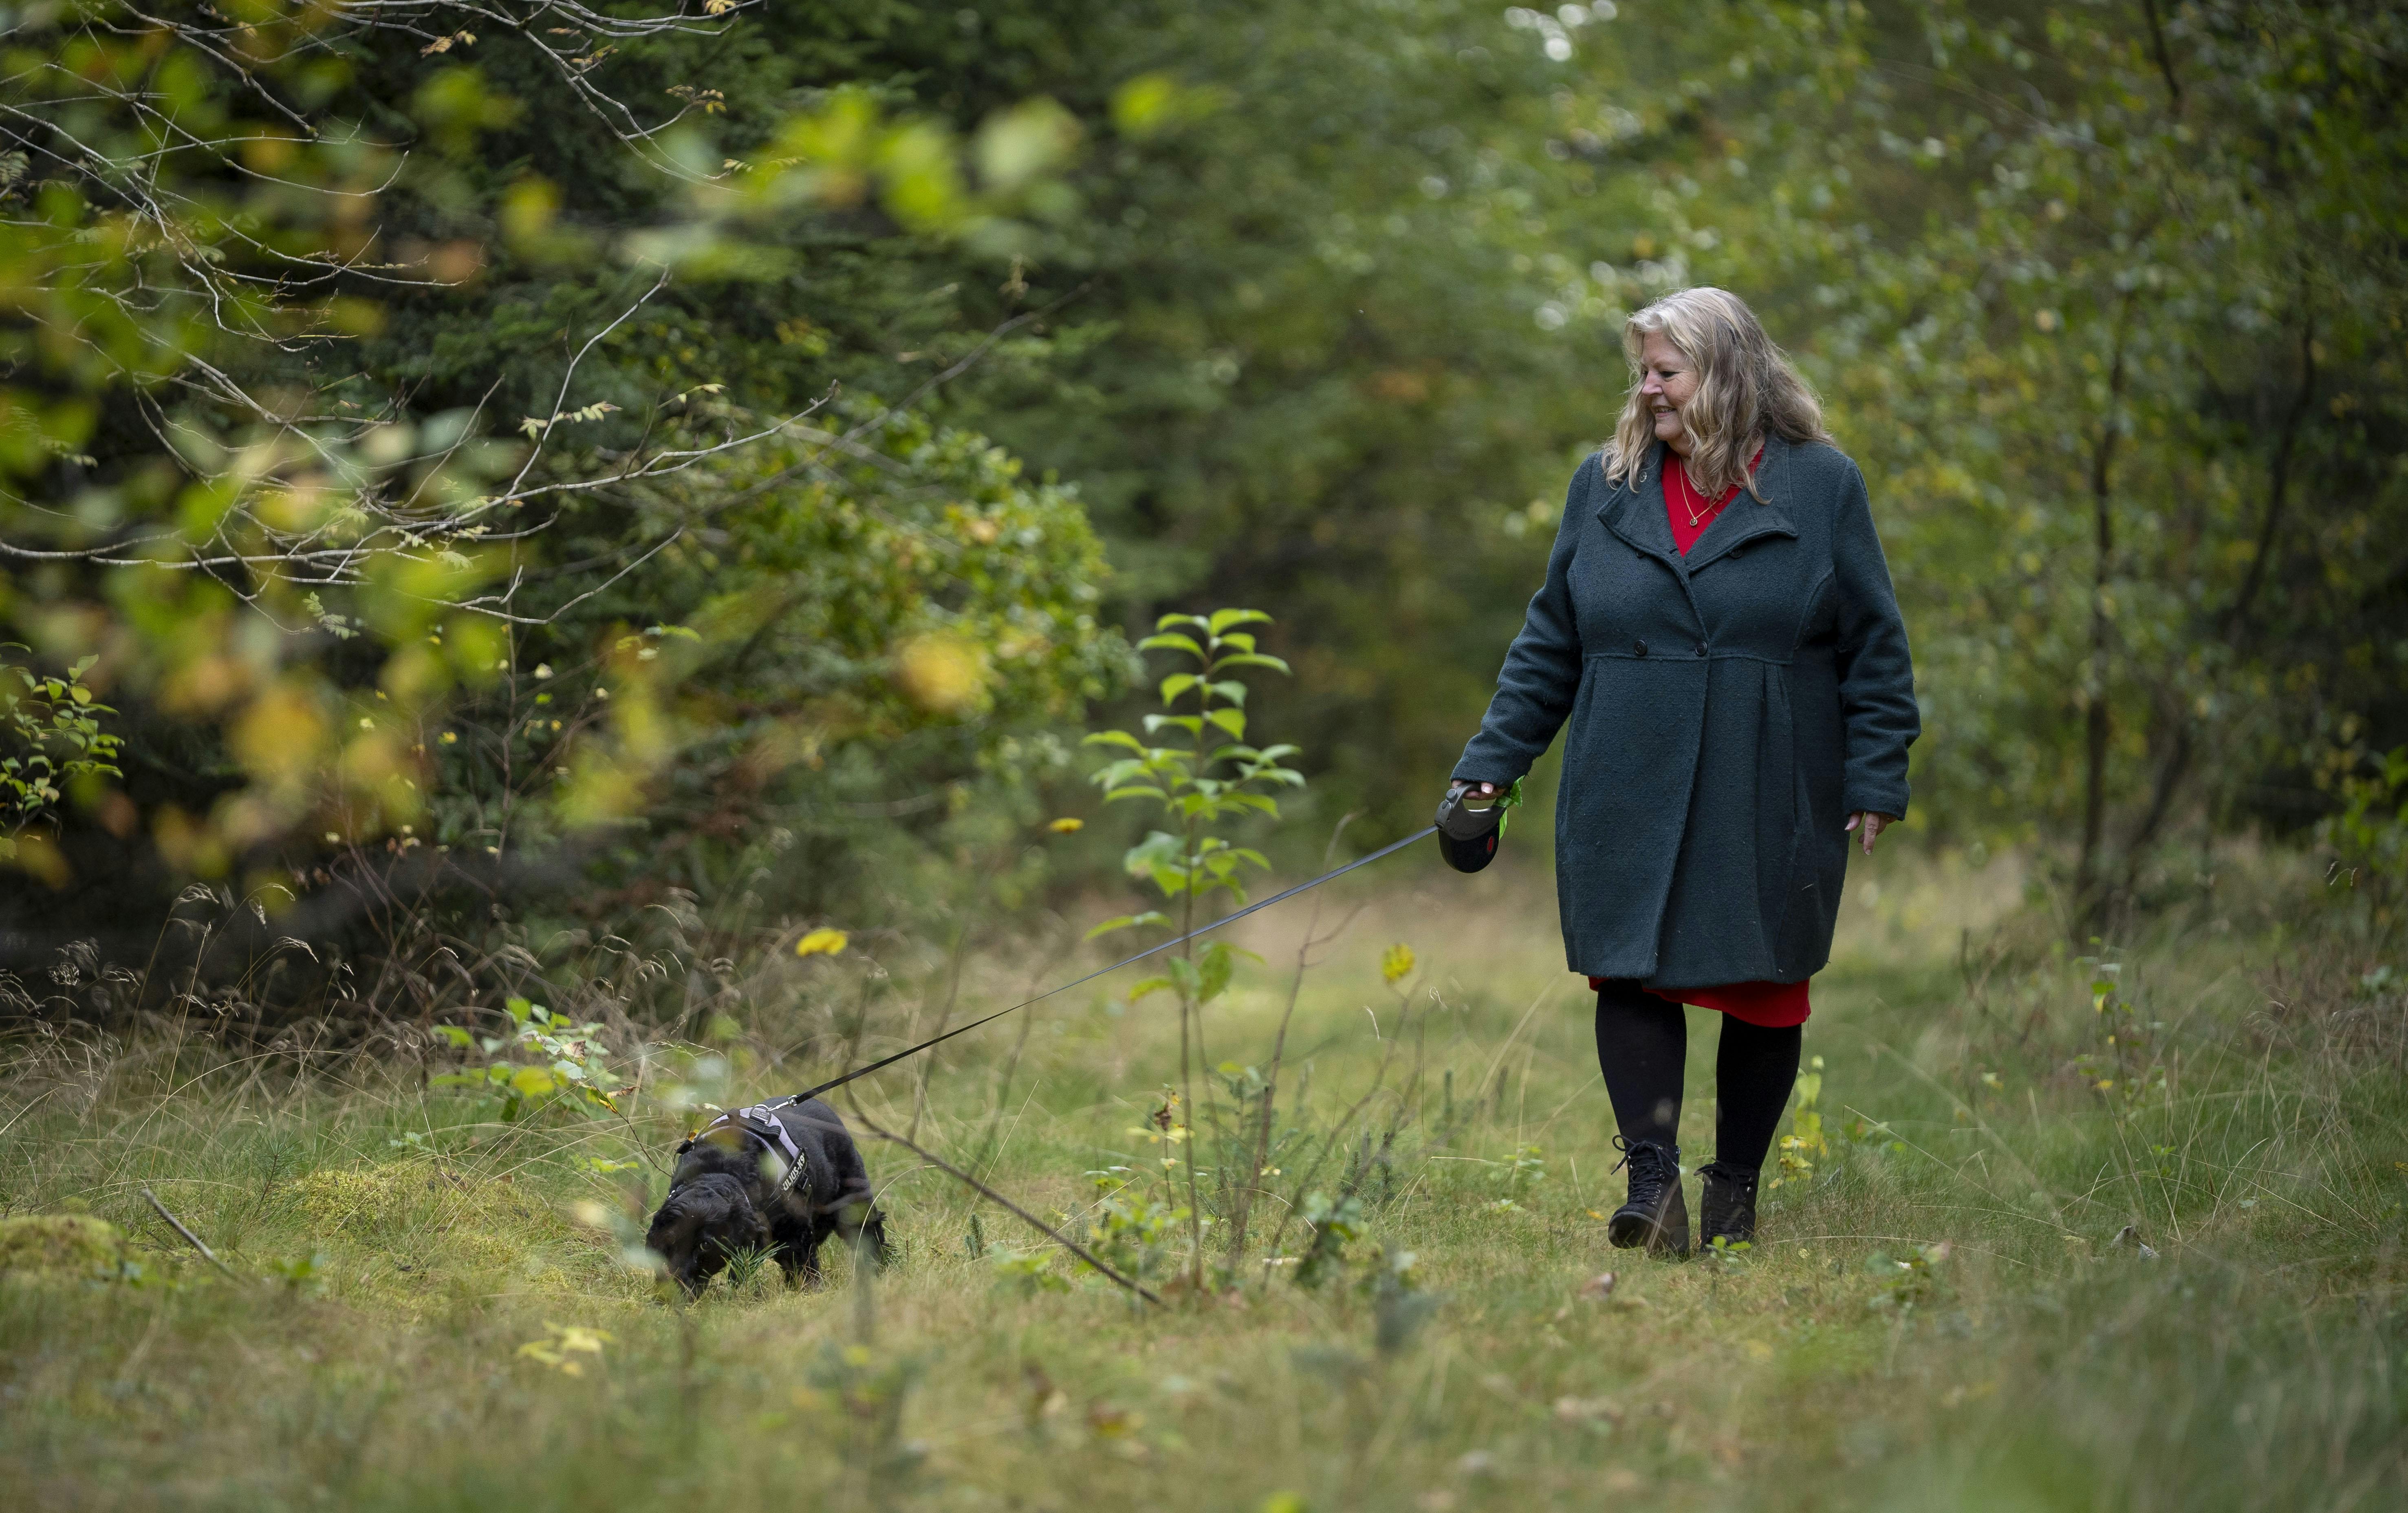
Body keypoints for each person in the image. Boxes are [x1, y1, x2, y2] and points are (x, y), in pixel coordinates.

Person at [1450, 286, 1918, 1256]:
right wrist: (1487, 773)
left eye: (1669, 371)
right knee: (1628, 967)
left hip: (1772, 774)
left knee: (1764, 983)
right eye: (1645, 373)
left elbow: (1876, 643)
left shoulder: (1823, 484)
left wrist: (1876, 773)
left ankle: (1734, 1195)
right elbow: (1550, 642)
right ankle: (1652, 1185)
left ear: (1730, 375)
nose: (1650, 391)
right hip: (1627, 768)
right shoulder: (1605, 483)